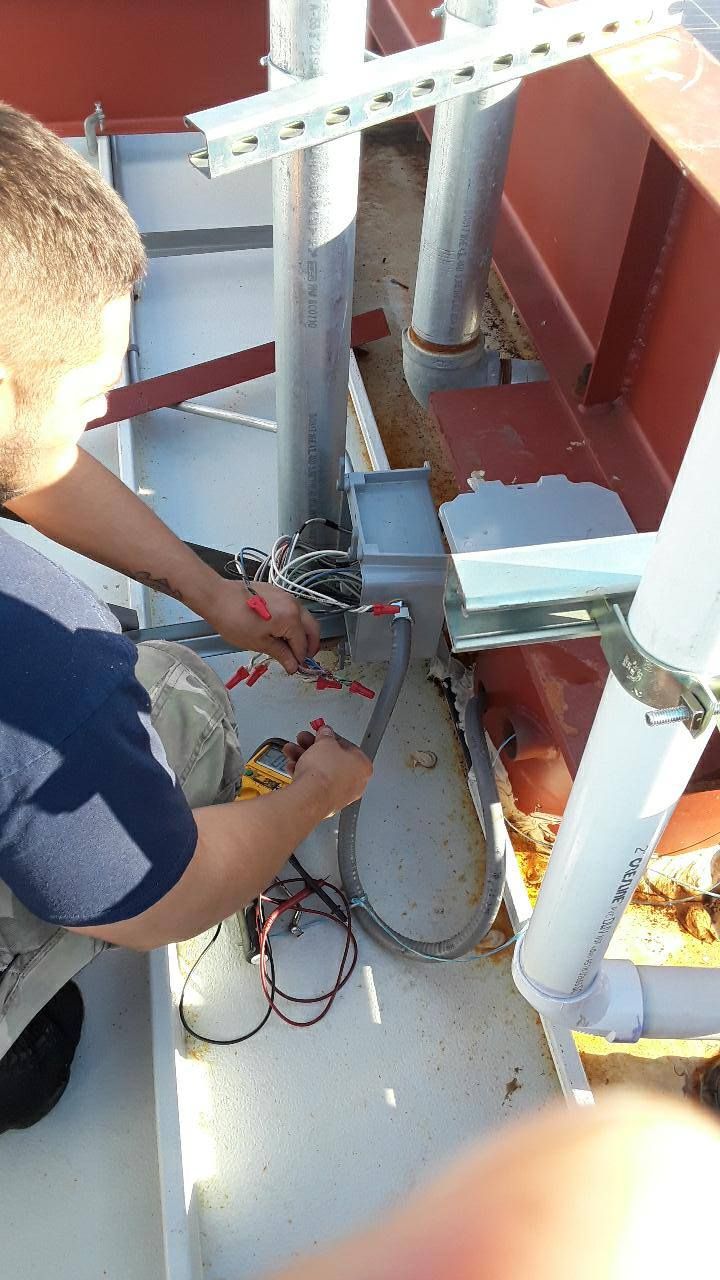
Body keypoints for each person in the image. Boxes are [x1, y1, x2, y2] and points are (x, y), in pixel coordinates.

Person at [0, 103, 372, 1133]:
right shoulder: (40, 666)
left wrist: (207, 587)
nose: (101, 409)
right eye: (87, 399)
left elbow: (24, 462)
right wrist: (312, 797)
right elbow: (163, 900)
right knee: (174, 697)